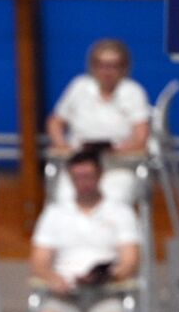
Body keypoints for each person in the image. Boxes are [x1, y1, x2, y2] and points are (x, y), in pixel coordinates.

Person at [30, 151, 141, 312]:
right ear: (70, 178)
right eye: (77, 177)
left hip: (105, 292)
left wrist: (109, 274)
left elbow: (131, 260)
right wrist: (53, 278)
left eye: (88, 176)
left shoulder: (121, 213)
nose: (84, 182)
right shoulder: (55, 214)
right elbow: (38, 262)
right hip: (65, 294)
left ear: (100, 175)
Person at [46, 38, 151, 207]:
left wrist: (117, 150)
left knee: (114, 200)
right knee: (64, 198)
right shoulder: (79, 87)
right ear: (93, 66)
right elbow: (55, 122)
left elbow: (141, 136)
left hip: (117, 167)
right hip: (80, 165)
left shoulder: (133, 92)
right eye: (101, 65)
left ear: (124, 68)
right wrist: (61, 144)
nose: (107, 71)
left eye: (113, 66)